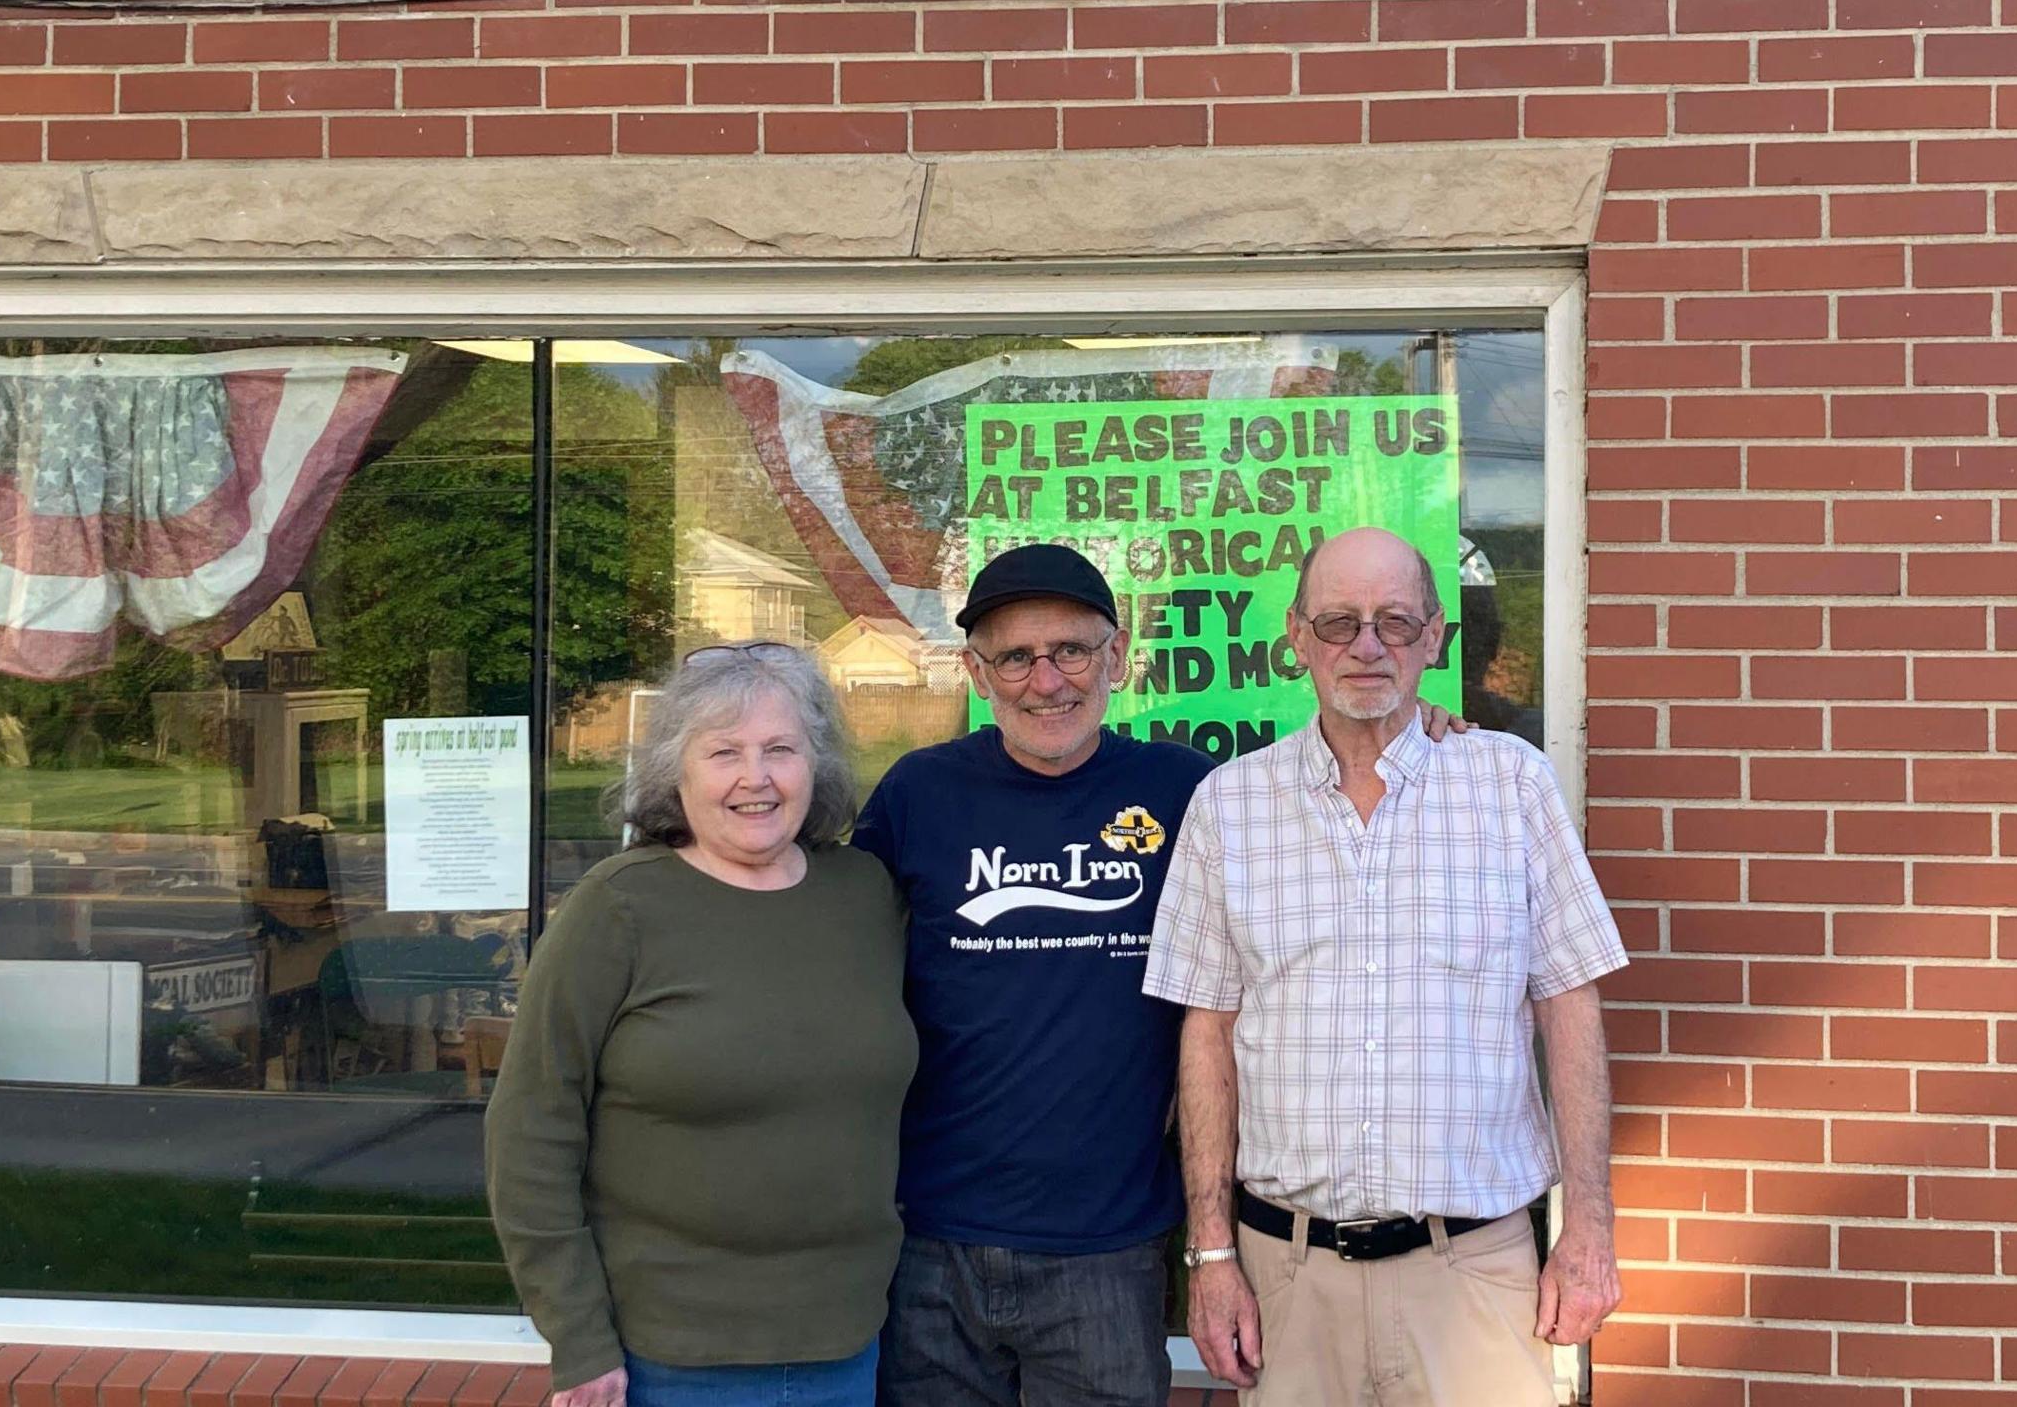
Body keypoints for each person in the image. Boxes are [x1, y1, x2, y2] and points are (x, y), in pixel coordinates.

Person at [1145, 529, 1630, 1407]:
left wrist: (1588, 1228)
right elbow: (1207, 1036)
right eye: (1338, 622)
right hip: (1286, 1277)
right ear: (1296, 637)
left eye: (1395, 623)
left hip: (1476, 1272)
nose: (1366, 647)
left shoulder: (1511, 786)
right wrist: (1210, 1256)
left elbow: (1571, 1006)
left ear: (1436, 637)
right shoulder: (1228, 805)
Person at [488, 642, 916, 1407]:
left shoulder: (865, 895)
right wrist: (578, 1337)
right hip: (669, 1359)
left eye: (780, 749)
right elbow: (530, 1133)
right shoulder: (616, 909)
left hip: (848, 1344)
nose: (756, 777)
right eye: (724, 752)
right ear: (675, 773)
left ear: (814, 765)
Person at [851, 542, 1211, 1407]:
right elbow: (820, 937)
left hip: (1107, 1250)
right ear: (979, 674)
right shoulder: (916, 795)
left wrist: (1417, 727)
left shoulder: (1191, 793)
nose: (1046, 680)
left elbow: (1312, 810)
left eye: (1072, 650)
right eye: (1016, 657)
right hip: (930, 1241)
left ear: (1117, 657)